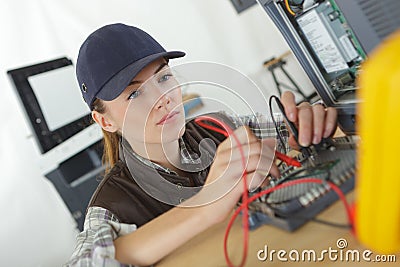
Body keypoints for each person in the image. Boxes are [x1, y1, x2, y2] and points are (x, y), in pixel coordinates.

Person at [64, 23, 337, 266]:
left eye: (164, 77)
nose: (164, 97)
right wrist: (206, 204)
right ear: (104, 121)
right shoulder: (110, 206)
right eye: (134, 93)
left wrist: (305, 123)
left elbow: (290, 130)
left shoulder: (219, 126)